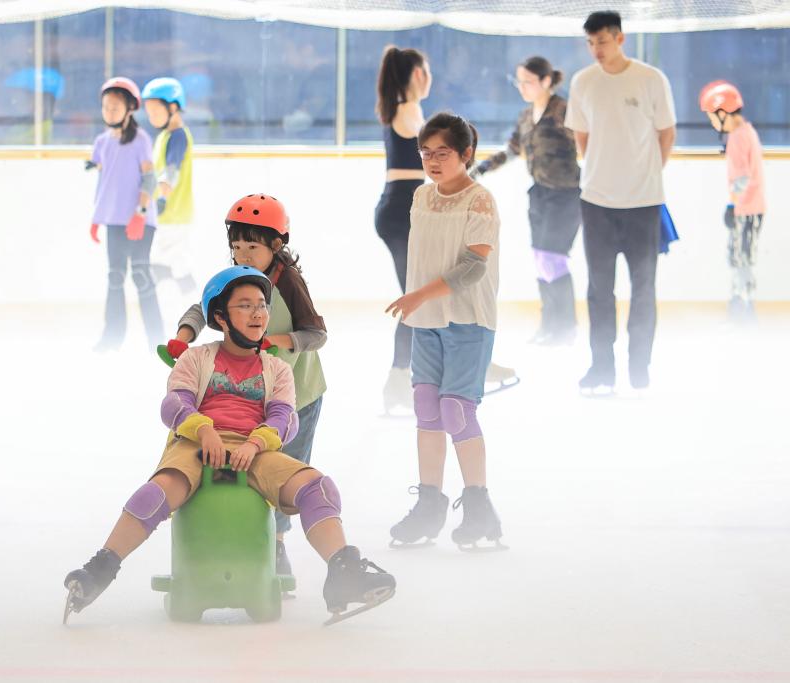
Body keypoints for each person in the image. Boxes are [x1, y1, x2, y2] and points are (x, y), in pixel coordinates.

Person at [63, 266, 395, 625]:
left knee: (319, 488)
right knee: (156, 493)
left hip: (254, 448)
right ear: (221, 317)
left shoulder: (277, 369)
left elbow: (285, 418)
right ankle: (101, 567)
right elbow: (174, 404)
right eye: (245, 305)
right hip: (195, 442)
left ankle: (344, 572)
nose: (258, 313)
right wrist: (204, 430)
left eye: (262, 305)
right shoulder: (196, 358)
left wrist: (255, 444)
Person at [162, 194, 326, 585]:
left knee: (282, 468)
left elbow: (316, 334)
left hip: (297, 395)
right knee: (245, 466)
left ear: (276, 244)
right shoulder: (235, 279)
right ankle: (236, 538)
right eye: (236, 246)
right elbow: (201, 308)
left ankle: (277, 545)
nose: (242, 255)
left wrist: (276, 341)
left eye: (252, 246)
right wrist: (183, 338)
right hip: (255, 394)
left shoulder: (289, 283)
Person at [386, 113, 506, 551]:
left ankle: (479, 508)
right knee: (426, 408)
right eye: (426, 153)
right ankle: (429, 505)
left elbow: (473, 266)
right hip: (428, 321)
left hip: (468, 319)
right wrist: (419, 299)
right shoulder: (421, 196)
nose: (433, 161)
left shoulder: (480, 200)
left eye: (443, 153)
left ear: (466, 154)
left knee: (457, 410)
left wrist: (419, 294)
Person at [564, 10, 676, 391]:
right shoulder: (583, 82)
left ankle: (639, 367)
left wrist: (647, 173)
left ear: (620, 39)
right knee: (599, 289)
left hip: (644, 203)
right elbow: (582, 137)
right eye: (590, 43)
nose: (596, 49)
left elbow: (666, 133)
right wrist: (604, 170)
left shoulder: (650, 78)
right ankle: (602, 368)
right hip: (596, 202)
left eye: (602, 41)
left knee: (643, 287)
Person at [473, 56, 581, 346]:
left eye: (528, 82)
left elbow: (587, 141)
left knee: (553, 258)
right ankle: (549, 325)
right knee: (540, 260)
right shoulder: (525, 116)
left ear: (546, 81)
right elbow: (512, 149)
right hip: (540, 194)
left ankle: (566, 326)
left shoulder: (563, 110)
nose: (522, 87)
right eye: (518, 82)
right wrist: (481, 169)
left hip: (565, 194)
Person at [374, 46, 431, 413]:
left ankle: (403, 379)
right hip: (400, 213)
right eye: (426, 71)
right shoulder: (408, 110)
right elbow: (438, 151)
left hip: (398, 211)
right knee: (417, 301)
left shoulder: (400, 108)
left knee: (419, 299)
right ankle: (398, 380)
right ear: (418, 74)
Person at [88, 77, 164, 352]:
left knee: (141, 275)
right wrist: (96, 219)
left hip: (140, 220)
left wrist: (140, 213)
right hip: (114, 221)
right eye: (106, 107)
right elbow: (105, 183)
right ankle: (112, 337)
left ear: (130, 108)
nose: (109, 112)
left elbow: (149, 179)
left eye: (115, 107)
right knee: (115, 277)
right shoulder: (101, 142)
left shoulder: (141, 140)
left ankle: (158, 340)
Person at [699, 80, 766, 324]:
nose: (711, 123)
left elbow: (742, 179)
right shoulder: (748, 131)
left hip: (745, 209)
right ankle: (742, 306)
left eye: (711, 117)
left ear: (722, 112)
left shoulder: (737, 137)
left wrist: (732, 206)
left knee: (740, 259)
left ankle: (743, 311)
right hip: (754, 207)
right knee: (742, 258)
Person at [142, 77, 197, 295]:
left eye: (156, 111)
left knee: (163, 263)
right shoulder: (165, 136)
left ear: (173, 107)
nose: (152, 117)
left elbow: (171, 171)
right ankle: (188, 305)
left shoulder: (177, 136)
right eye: (149, 113)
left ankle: (185, 306)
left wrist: (162, 199)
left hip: (173, 214)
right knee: (173, 264)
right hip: (169, 215)